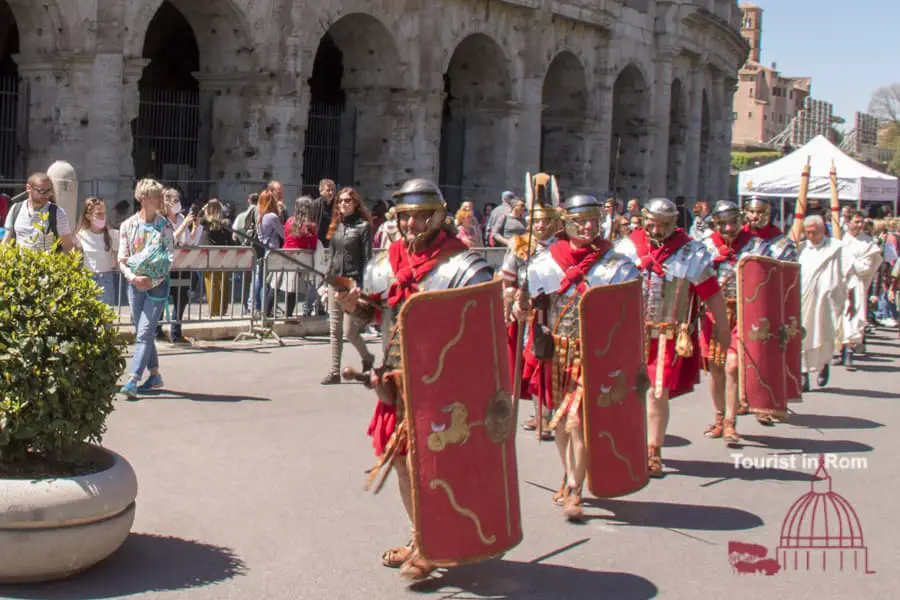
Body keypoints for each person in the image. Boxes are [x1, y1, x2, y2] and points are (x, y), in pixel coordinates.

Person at [336, 178, 493, 581]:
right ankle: (421, 536)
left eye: (422, 215)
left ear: (439, 216)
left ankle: (438, 539)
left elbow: (481, 336)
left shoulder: (465, 267)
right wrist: (356, 305)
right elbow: (375, 316)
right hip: (397, 381)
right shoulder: (386, 263)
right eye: (406, 216)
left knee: (439, 465)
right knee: (405, 463)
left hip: (446, 387)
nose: (412, 224)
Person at [519, 193, 640, 520]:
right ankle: (568, 472)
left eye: (592, 220)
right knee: (559, 420)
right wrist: (521, 306)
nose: (588, 226)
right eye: (580, 221)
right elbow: (527, 306)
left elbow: (628, 316)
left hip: (594, 352)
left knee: (577, 421)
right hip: (557, 350)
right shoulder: (544, 262)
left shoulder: (617, 265)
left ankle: (575, 487)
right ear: (567, 223)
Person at [617, 198, 730, 477]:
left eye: (664, 224)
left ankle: (653, 449)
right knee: (624, 393)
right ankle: (625, 445)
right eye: (653, 223)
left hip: (667, 334)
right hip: (627, 333)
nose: (657, 229)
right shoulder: (627, 248)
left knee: (657, 392)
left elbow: (711, 293)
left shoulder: (690, 252)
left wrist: (723, 328)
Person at [497, 173, 562, 436]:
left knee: (557, 365)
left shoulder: (564, 245)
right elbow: (507, 280)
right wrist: (512, 302)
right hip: (529, 313)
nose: (539, 225)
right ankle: (541, 415)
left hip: (559, 313)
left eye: (545, 220)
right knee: (534, 363)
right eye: (536, 220)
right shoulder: (520, 245)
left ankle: (554, 411)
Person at [698, 201, 765, 443]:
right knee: (716, 368)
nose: (729, 228)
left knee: (733, 366)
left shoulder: (756, 245)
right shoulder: (706, 247)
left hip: (744, 311)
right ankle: (718, 418)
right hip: (714, 312)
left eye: (733, 222)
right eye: (723, 224)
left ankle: (730, 422)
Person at [117, 179, 175, 399]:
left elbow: (170, 257)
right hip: (135, 284)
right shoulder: (128, 225)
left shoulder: (165, 226)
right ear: (143, 198)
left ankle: (133, 379)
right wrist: (133, 278)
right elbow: (122, 257)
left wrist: (154, 280)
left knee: (144, 331)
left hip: (157, 286)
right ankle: (155, 374)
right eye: (157, 196)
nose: (162, 199)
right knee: (143, 329)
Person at [322, 187, 375, 385]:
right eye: (341, 201)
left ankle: (367, 357)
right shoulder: (336, 226)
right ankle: (334, 370)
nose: (343, 204)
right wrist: (326, 282)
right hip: (336, 280)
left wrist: (363, 285)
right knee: (334, 329)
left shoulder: (363, 227)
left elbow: (368, 258)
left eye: (347, 201)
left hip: (352, 282)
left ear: (355, 203)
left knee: (349, 331)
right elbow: (332, 255)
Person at [798, 215, 846, 390]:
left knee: (824, 335)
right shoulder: (801, 250)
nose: (811, 236)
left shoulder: (835, 248)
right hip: (804, 300)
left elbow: (844, 273)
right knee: (802, 336)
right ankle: (803, 374)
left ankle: (823, 364)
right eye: (808, 232)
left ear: (823, 231)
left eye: (815, 232)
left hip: (826, 302)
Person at [835, 211, 883, 370]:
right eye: (856, 222)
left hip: (855, 285)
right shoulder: (838, 240)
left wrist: (849, 264)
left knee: (851, 318)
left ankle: (849, 353)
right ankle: (841, 352)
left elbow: (866, 267)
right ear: (848, 222)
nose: (860, 225)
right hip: (838, 284)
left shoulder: (868, 244)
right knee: (838, 320)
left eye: (862, 222)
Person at [3, 172, 74, 253]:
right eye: (42, 191)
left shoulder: (58, 213)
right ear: (28, 188)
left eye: (49, 191)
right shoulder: (16, 208)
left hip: (46, 264)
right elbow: (6, 241)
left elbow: (68, 247)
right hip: (20, 264)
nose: (47, 195)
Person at [74, 197, 120, 306]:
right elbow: (75, 262)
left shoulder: (112, 235)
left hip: (106, 279)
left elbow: (118, 261)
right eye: (99, 214)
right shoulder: (80, 236)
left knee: (106, 316)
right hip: (86, 279)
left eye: (104, 213)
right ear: (88, 216)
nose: (103, 217)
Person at [741, 196, 797, 261]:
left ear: (767, 213)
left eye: (760, 212)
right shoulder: (736, 237)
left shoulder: (780, 243)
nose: (755, 216)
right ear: (745, 212)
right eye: (751, 211)